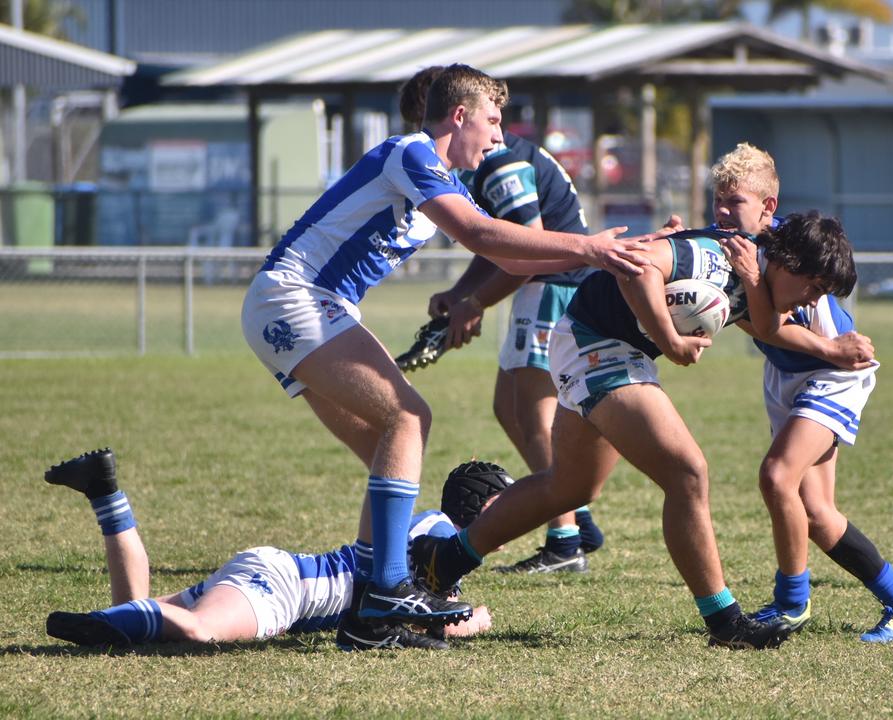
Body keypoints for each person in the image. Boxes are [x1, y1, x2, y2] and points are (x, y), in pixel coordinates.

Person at [240, 63, 648, 633]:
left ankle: (370, 610)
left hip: (300, 306)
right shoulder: (410, 154)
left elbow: (509, 258)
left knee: (383, 444)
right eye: (493, 120)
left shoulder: (445, 180)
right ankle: (387, 589)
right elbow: (484, 237)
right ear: (460, 116)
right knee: (408, 419)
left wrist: (606, 255)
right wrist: (586, 246)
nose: (501, 136)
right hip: (296, 299)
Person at [412, 208, 855, 650]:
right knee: (687, 471)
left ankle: (442, 560)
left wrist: (831, 349)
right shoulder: (717, 257)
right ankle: (725, 621)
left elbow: (765, 326)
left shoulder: (755, 273)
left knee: (568, 488)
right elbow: (638, 267)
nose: (813, 301)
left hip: (598, 344)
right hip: (597, 345)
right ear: (788, 261)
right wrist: (671, 341)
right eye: (814, 287)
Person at [705, 144, 893, 643]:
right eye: (717, 199)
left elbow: (769, 325)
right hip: (791, 375)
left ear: (767, 206)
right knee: (817, 515)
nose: (722, 210)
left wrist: (830, 348)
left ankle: (791, 604)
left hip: (834, 375)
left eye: (734, 201)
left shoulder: (792, 245)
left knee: (776, 476)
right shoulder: (730, 247)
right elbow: (760, 328)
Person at [400, 66, 605, 573]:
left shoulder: (500, 164)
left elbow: (527, 250)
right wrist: (461, 292)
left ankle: (564, 541)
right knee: (507, 406)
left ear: (451, 113)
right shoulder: (477, 165)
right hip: (542, 287)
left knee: (535, 416)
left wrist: (475, 303)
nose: (419, 135)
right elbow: (493, 243)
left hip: (555, 288)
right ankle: (576, 516)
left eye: (421, 121)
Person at [43, 449, 513, 650]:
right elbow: (422, 615)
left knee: (134, 614)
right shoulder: (437, 529)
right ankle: (92, 622)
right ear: (483, 504)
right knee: (200, 633)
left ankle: (105, 492)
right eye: (506, 504)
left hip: (279, 574)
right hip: (285, 589)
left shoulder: (437, 539)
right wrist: (472, 619)